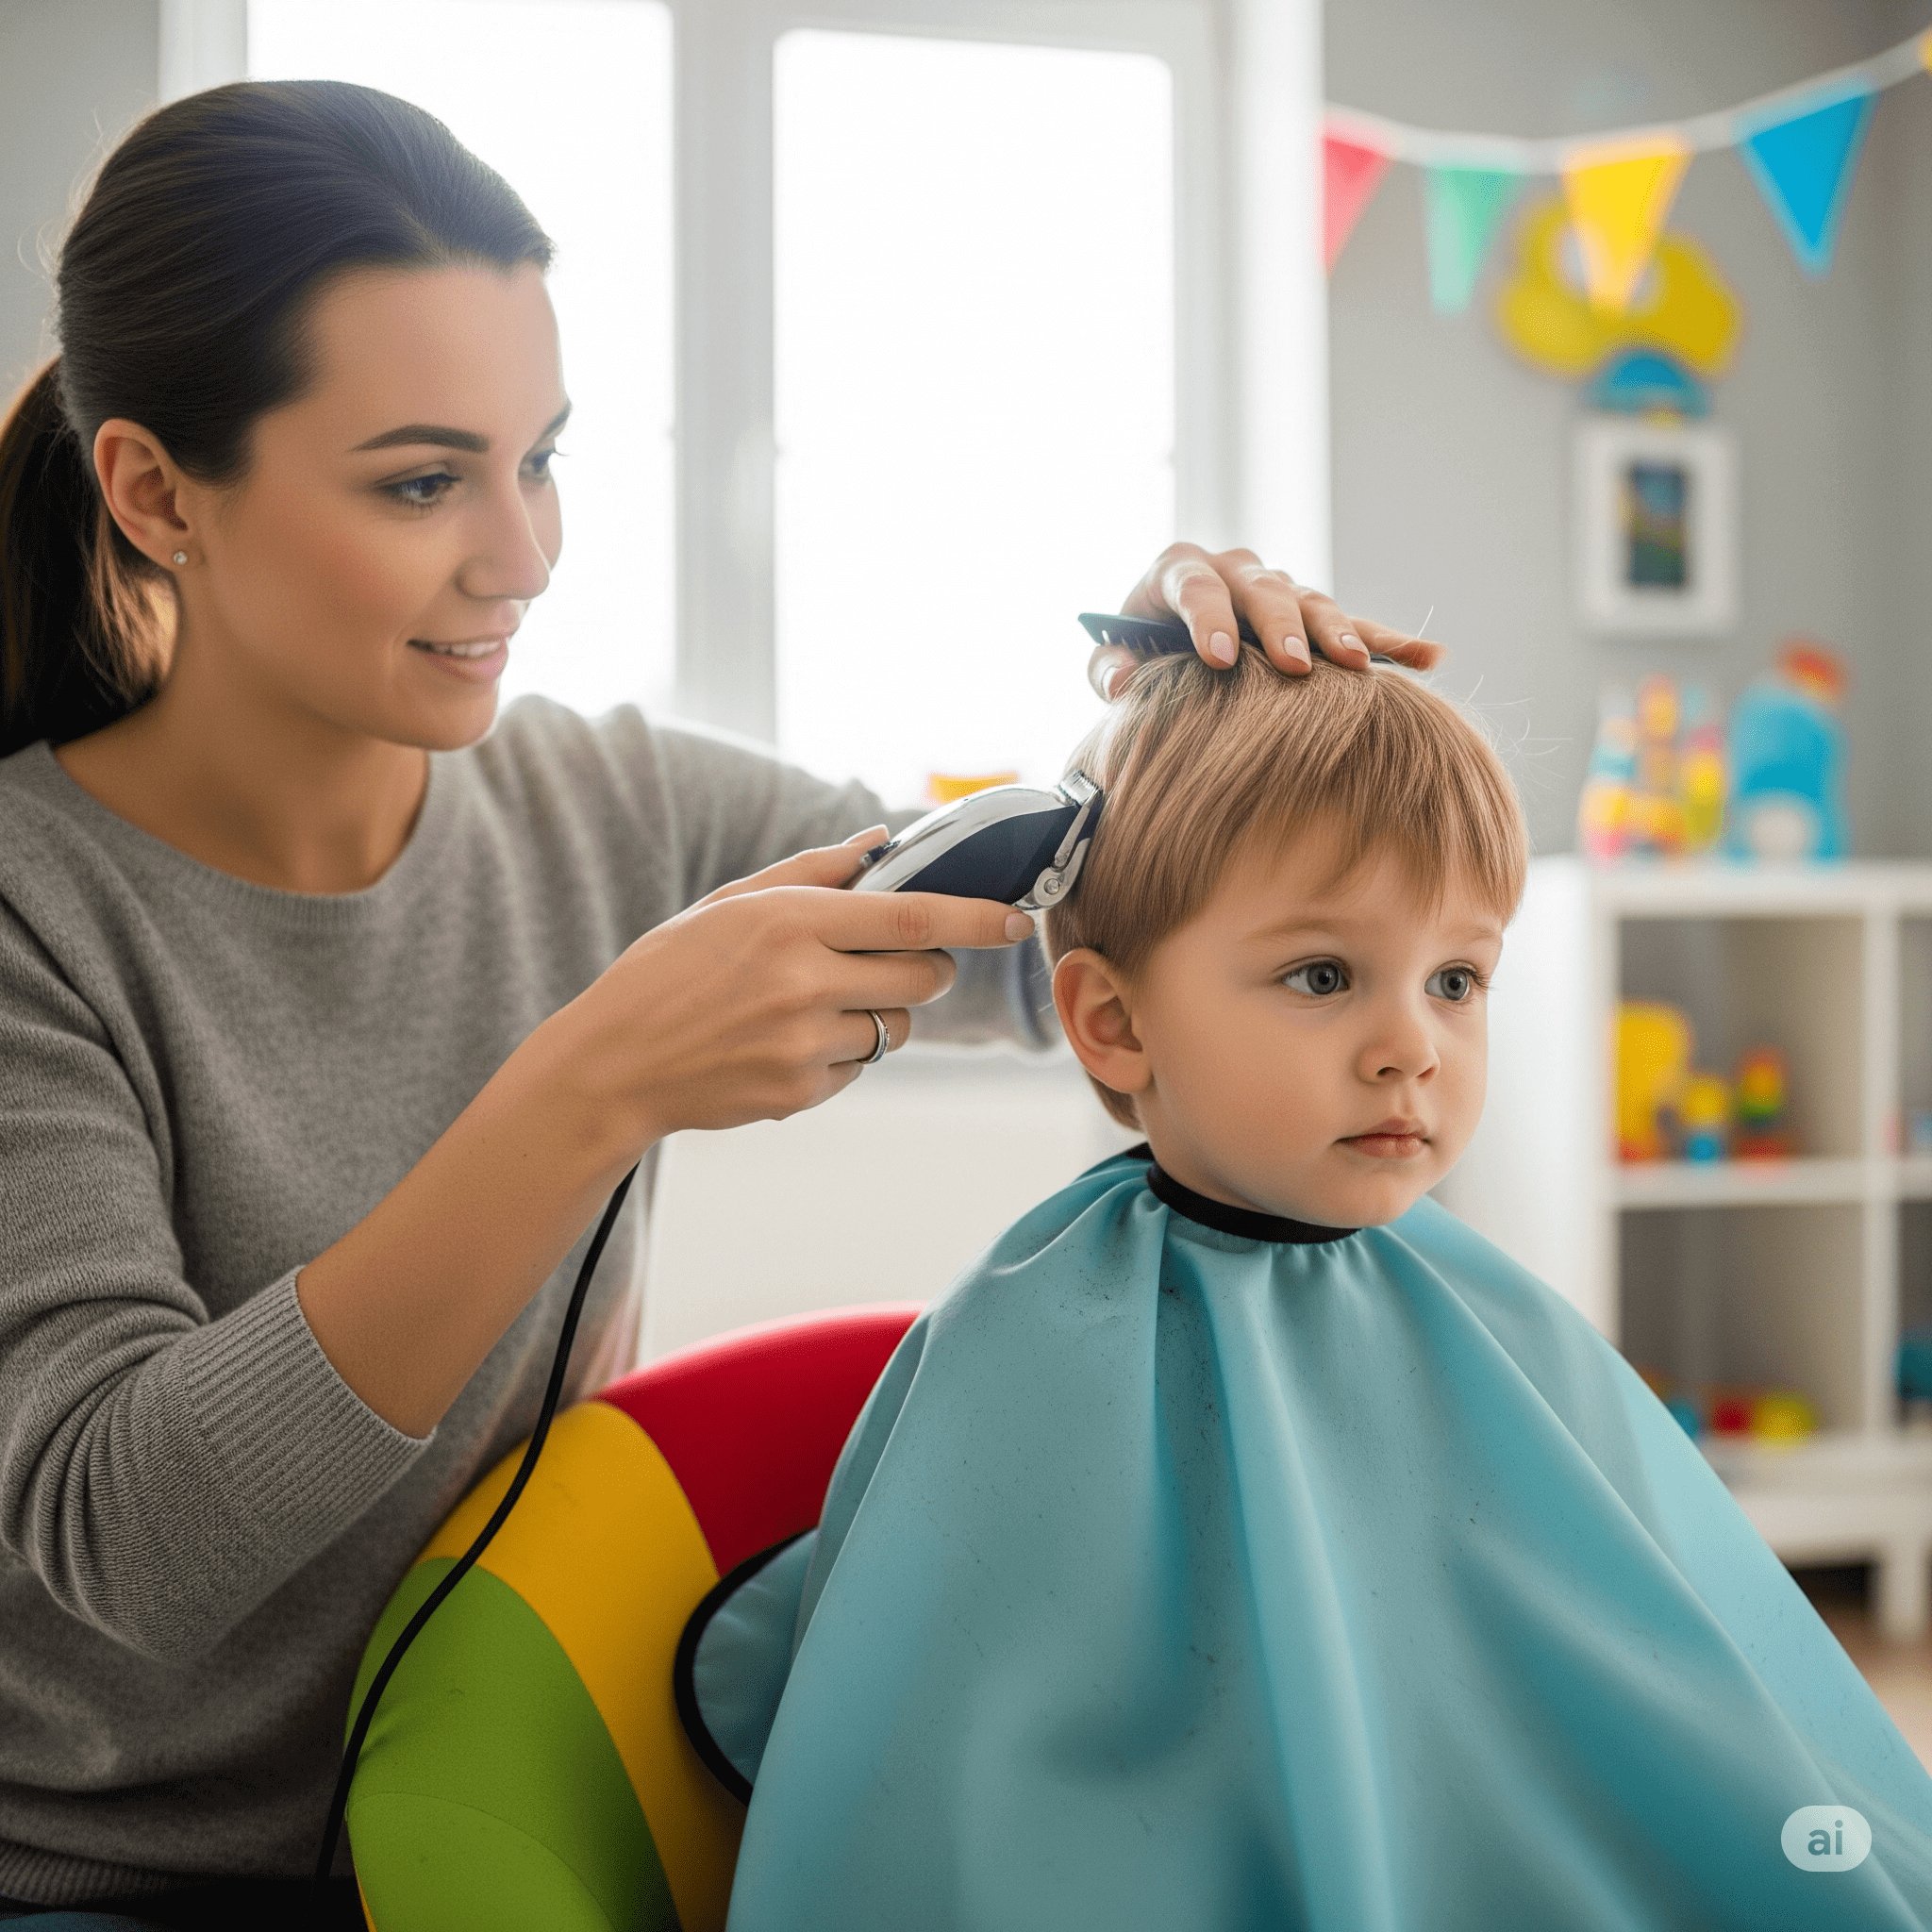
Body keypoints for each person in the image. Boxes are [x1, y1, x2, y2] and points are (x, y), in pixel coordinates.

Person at [0, 77, 1428, 1926]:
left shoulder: (621, 806)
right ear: (151, 490)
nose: (521, 557)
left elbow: (1071, 929)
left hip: (524, 1787)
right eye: (425, 479)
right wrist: (582, 1092)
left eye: (544, 457)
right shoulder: (36, 908)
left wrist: (1183, 713)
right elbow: (127, 1543)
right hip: (127, 1882)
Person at [705, 649, 1932, 1929]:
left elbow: (1643, 1658)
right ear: (1114, 1023)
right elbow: (961, 1735)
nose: (1412, 1047)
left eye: (1456, 980)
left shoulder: (1487, 1315)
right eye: (1323, 977)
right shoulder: (1032, 1327)